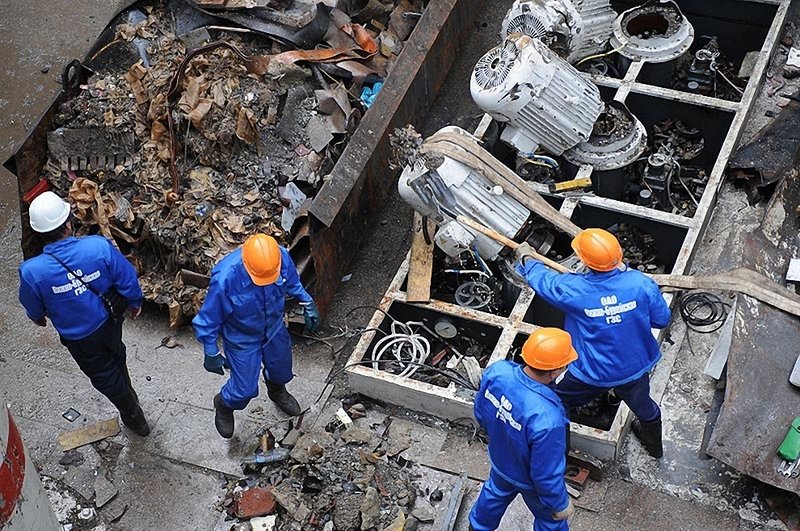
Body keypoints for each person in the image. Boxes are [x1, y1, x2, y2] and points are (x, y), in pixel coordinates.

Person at [516, 228, 672, 458]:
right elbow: (661, 319)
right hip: (634, 367)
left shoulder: (574, 289)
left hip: (591, 371)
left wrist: (528, 260)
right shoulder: (641, 284)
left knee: (555, 403)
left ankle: (558, 453)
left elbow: (545, 283)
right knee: (643, 405)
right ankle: (655, 448)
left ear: (583, 260)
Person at [18, 191, 149, 436]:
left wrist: (38, 317)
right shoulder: (98, 247)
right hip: (110, 321)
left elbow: (33, 307)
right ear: (68, 223)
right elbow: (126, 278)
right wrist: (134, 302)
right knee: (116, 355)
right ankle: (128, 392)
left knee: (103, 375)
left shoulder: (32, 271)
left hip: (79, 339)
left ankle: (132, 413)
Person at [193, 233, 320, 438]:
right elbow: (208, 319)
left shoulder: (277, 257)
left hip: (274, 327)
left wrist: (306, 300)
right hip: (242, 338)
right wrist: (210, 350)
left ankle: (277, 390)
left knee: (281, 368)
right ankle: (224, 403)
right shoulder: (226, 278)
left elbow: (291, 280)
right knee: (245, 389)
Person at [470, 327, 578, 531]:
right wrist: (559, 503)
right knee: (551, 520)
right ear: (554, 371)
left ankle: (477, 527)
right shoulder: (548, 419)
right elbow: (546, 474)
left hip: (501, 461)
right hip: (529, 481)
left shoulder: (498, 371)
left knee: (493, 495)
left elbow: (481, 413)